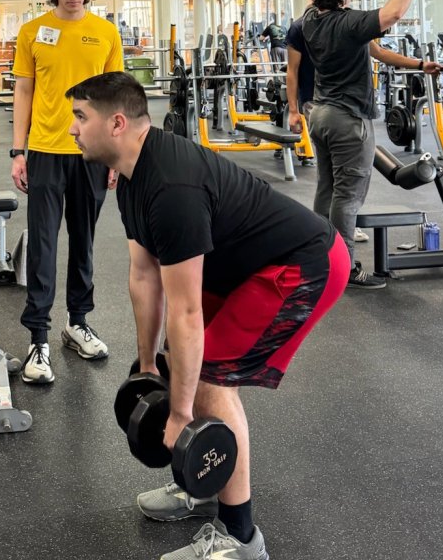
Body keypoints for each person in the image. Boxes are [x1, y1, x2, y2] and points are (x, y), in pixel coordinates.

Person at [66, 71, 350, 560]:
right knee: (182, 363)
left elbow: (186, 309)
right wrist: (148, 367)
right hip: (238, 265)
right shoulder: (130, 176)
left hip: (302, 265)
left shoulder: (170, 188)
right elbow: (145, 277)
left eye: (80, 116)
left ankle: (242, 539)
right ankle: (200, 485)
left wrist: (180, 413)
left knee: (211, 378)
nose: (72, 128)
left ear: (116, 123)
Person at [10, 0, 124, 384]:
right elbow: (24, 90)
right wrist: (18, 151)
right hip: (44, 149)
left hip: (91, 152)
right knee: (42, 244)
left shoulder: (106, 33)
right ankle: (37, 338)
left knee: (84, 240)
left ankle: (78, 322)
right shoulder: (32, 32)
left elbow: (115, 97)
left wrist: (115, 153)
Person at [291, 0, 426, 289]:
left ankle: (323, 258)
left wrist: (420, 64)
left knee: (327, 189)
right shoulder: (349, 23)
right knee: (347, 196)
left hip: (319, 115)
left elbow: (376, 48)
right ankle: (345, 269)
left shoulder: (309, 21)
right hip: (348, 120)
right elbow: (394, 13)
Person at [286, 8, 442, 248]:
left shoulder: (338, 23)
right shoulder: (305, 27)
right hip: (334, 108)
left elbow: (379, 52)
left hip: (320, 110)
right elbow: (292, 71)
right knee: (345, 183)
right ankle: (341, 245)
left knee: (329, 179)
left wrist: (420, 64)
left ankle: (324, 238)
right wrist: (293, 110)